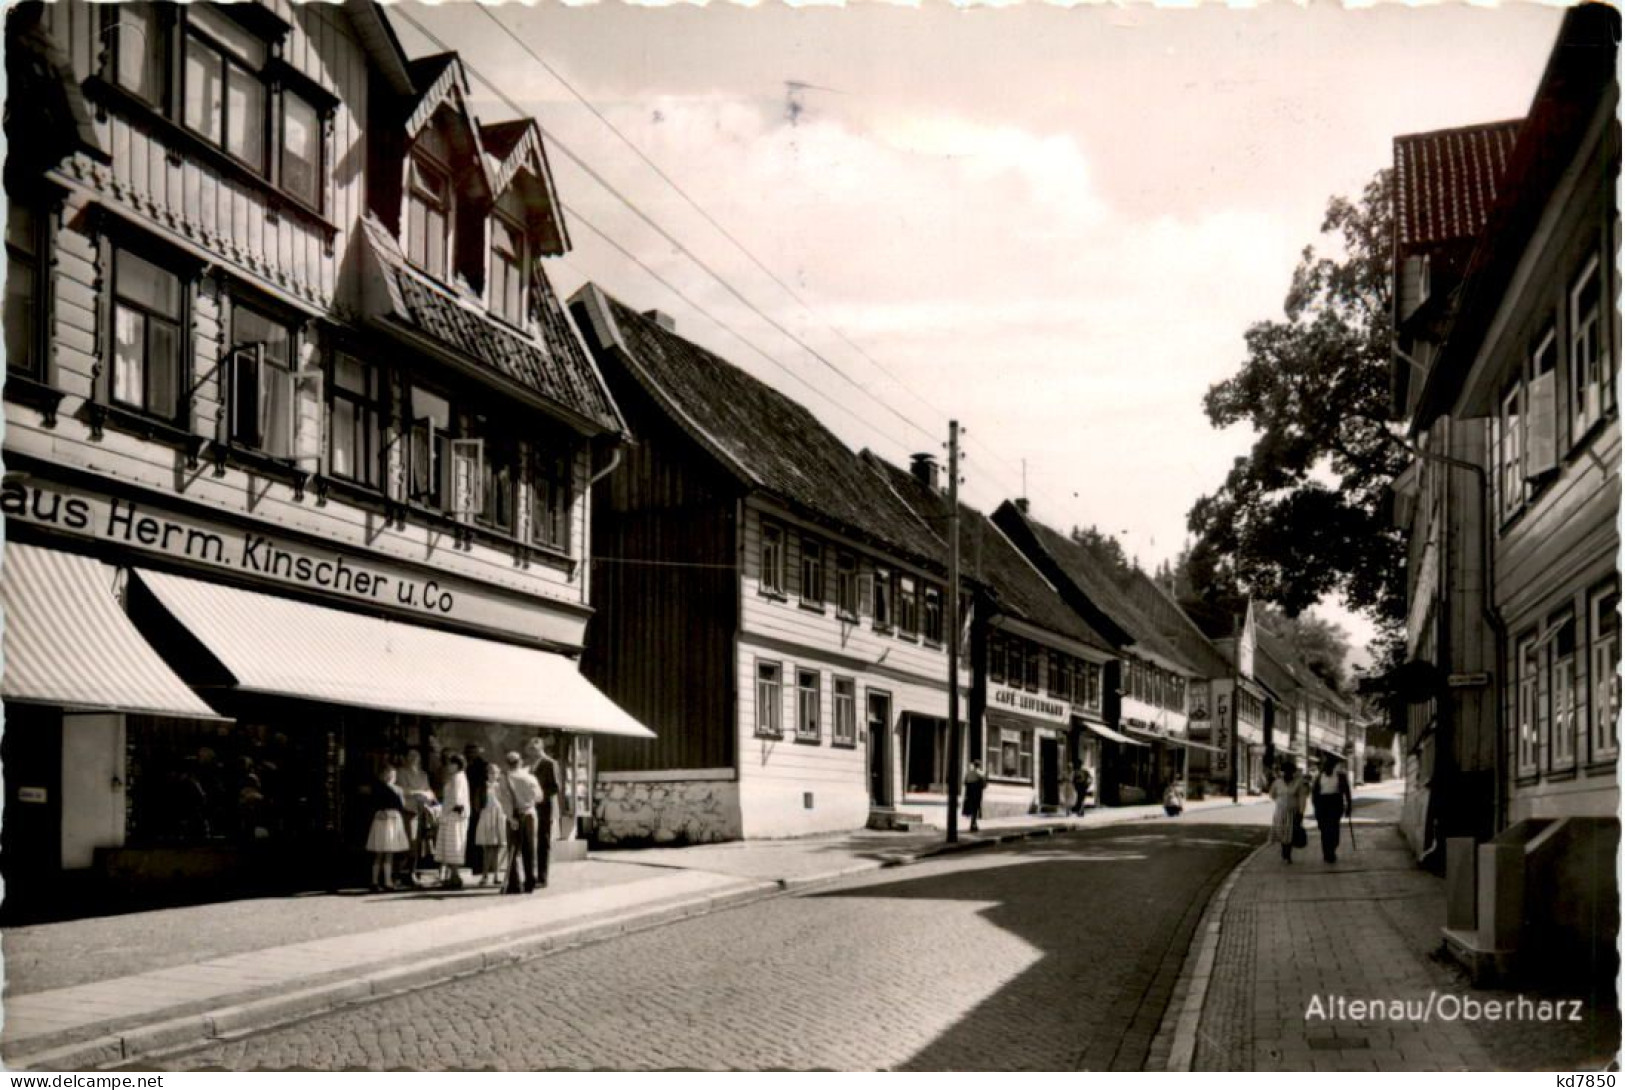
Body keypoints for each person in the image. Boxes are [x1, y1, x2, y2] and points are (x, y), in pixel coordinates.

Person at [496, 752, 544, 894]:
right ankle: (530, 881)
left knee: (514, 850)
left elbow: (505, 801)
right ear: (520, 762)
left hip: (515, 816)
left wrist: (511, 818)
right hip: (530, 814)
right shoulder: (530, 778)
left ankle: (515, 884)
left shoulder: (504, 779)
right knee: (530, 849)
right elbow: (539, 797)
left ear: (507, 763)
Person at [527, 736, 562, 889]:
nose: (532, 752)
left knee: (543, 841)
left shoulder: (550, 763)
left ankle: (543, 877)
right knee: (533, 841)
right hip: (532, 807)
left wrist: (540, 796)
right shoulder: (530, 766)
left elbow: (555, 787)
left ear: (541, 749)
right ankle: (532, 875)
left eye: (535, 749)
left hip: (545, 807)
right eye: (530, 749)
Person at [366, 767, 409, 891]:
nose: (390, 777)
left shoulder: (398, 789)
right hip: (382, 820)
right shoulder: (377, 788)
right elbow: (373, 804)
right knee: (379, 852)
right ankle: (374, 881)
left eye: (393, 775)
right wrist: (378, 812)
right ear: (382, 775)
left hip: (393, 820)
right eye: (387, 774)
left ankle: (387, 881)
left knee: (389, 852)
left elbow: (402, 805)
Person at [397, 749, 435, 885]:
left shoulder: (423, 775)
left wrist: (428, 796)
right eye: (411, 756)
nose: (413, 759)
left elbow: (430, 792)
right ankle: (400, 873)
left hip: (422, 811)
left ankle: (413, 872)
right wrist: (418, 792)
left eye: (416, 756)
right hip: (408, 810)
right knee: (407, 843)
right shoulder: (401, 772)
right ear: (406, 758)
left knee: (418, 844)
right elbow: (401, 790)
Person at [1310, 754, 1355, 863]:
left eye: (1331, 766)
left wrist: (1349, 807)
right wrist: (1316, 808)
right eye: (1326, 766)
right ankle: (1327, 853)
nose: (1328, 768)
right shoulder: (1319, 777)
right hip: (1322, 804)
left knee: (1334, 830)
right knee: (1324, 830)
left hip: (1335, 804)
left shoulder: (1340, 777)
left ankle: (1332, 848)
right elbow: (1314, 794)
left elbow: (1347, 792)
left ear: (1334, 766)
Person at [435, 754, 470, 889]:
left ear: (457, 764)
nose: (449, 766)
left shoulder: (458, 777)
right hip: (452, 814)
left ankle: (455, 876)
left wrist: (444, 812)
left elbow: (456, 799)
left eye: (451, 764)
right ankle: (452, 876)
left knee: (453, 845)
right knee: (450, 846)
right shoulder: (456, 777)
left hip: (454, 815)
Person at [1268, 761, 1311, 863]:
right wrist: (1280, 802)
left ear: (1293, 772)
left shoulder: (1298, 783)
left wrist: (1301, 812)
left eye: (1290, 772)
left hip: (1293, 812)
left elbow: (1302, 798)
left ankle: (1287, 854)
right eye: (1285, 771)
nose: (1287, 774)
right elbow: (1272, 794)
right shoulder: (1277, 783)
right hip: (1280, 812)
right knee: (1282, 833)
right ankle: (1284, 852)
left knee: (1290, 834)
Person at [474, 762, 509, 888]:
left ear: (499, 774)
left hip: (499, 815)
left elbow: (505, 800)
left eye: (495, 772)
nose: (493, 775)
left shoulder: (501, 786)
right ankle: (485, 875)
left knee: (497, 848)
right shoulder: (483, 787)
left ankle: (496, 875)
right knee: (487, 848)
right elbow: (477, 803)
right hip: (487, 815)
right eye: (490, 772)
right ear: (486, 774)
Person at [464, 743, 490, 871]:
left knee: (477, 834)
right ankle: (472, 861)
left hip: (476, 803)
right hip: (469, 802)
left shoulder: (481, 765)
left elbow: (481, 787)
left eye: (473, 752)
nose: (470, 755)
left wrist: (478, 805)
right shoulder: (467, 765)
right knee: (472, 834)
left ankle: (478, 864)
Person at [962, 759, 987, 833]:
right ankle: (973, 824)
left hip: (969, 793)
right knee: (975, 809)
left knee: (972, 808)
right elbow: (984, 784)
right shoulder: (980, 773)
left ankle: (973, 824)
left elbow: (965, 782)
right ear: (979, 765)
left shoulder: (969, 773)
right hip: (976, 793)